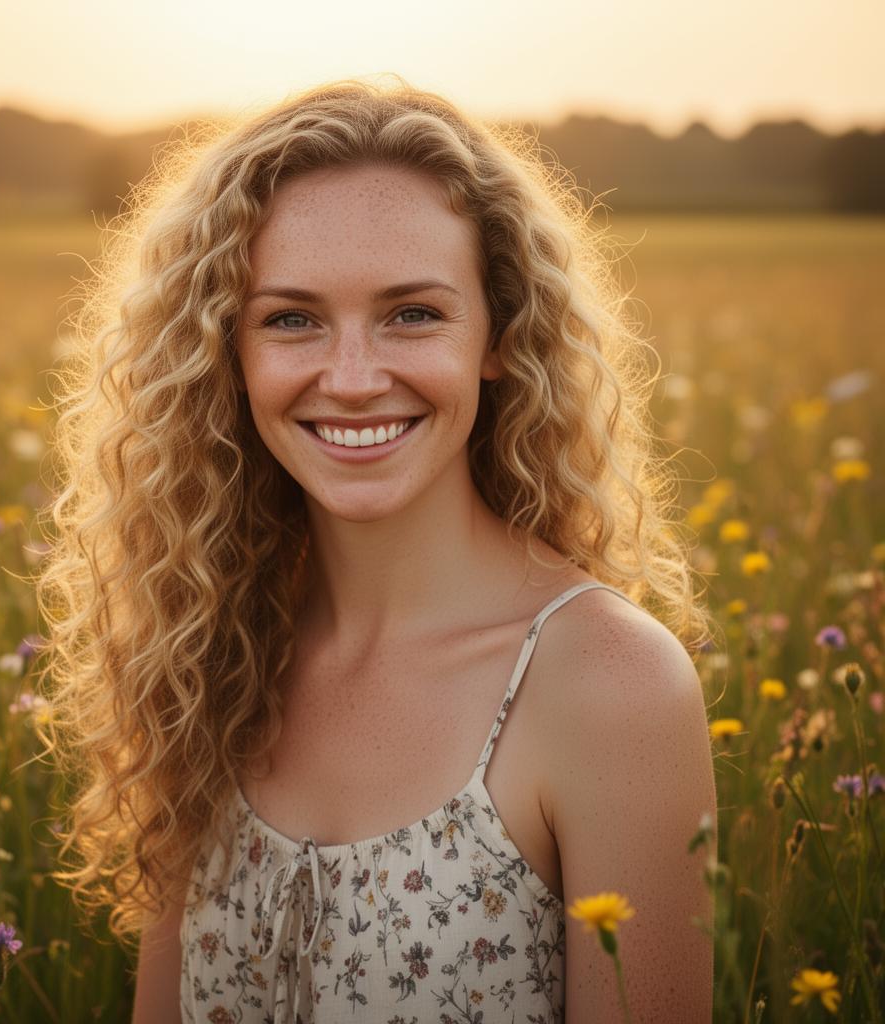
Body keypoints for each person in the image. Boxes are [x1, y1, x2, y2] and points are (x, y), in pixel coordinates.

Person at [36, 76, 718, 1023]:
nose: (352, 379)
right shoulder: (203, 653)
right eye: (291, 318)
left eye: (413, 314)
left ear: (498, 336)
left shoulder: (611, 685)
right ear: (224, 354)